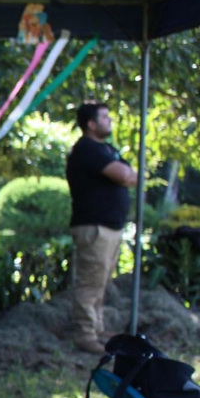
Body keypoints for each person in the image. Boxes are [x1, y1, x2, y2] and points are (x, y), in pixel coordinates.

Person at [65, 101, 136, 355]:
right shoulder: (86, 150)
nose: (110, 121)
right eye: (105, 117)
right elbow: (125, 176)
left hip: (110, 227)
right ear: (91, 124)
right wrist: (128, 174)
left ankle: (96, 328)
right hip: (94, 227)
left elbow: (133, 175)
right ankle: (85, 334)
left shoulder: (106, 150)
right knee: (90, 281)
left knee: (101, 281)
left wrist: (129, 173)